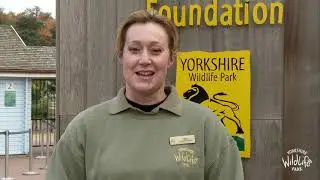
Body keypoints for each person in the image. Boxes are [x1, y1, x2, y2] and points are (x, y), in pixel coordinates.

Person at [46, 9, 244, 180]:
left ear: (171, 59)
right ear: (121, 56)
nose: (144, 59)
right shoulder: (85, 128)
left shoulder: (206, 126)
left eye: (156, 50)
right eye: (134, 49)